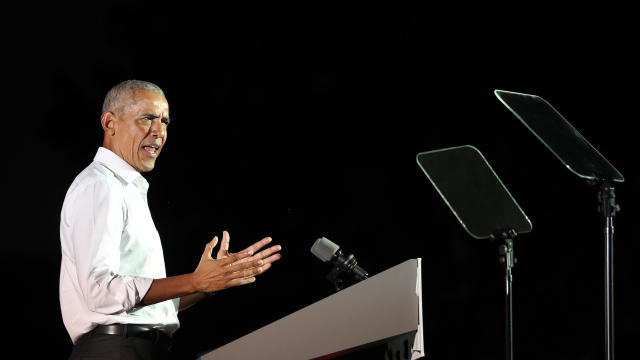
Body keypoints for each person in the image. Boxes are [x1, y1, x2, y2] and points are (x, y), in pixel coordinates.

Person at [59, 80, 282, 360]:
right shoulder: (100, 185)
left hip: (140, 348)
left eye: (164, 122)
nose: (159, 132)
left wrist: (212, 281)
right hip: (115, 350)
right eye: (147, 119)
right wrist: (195, 281)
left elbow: (147, 307)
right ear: (110, 123)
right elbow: (100, 292)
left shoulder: (126, 190)